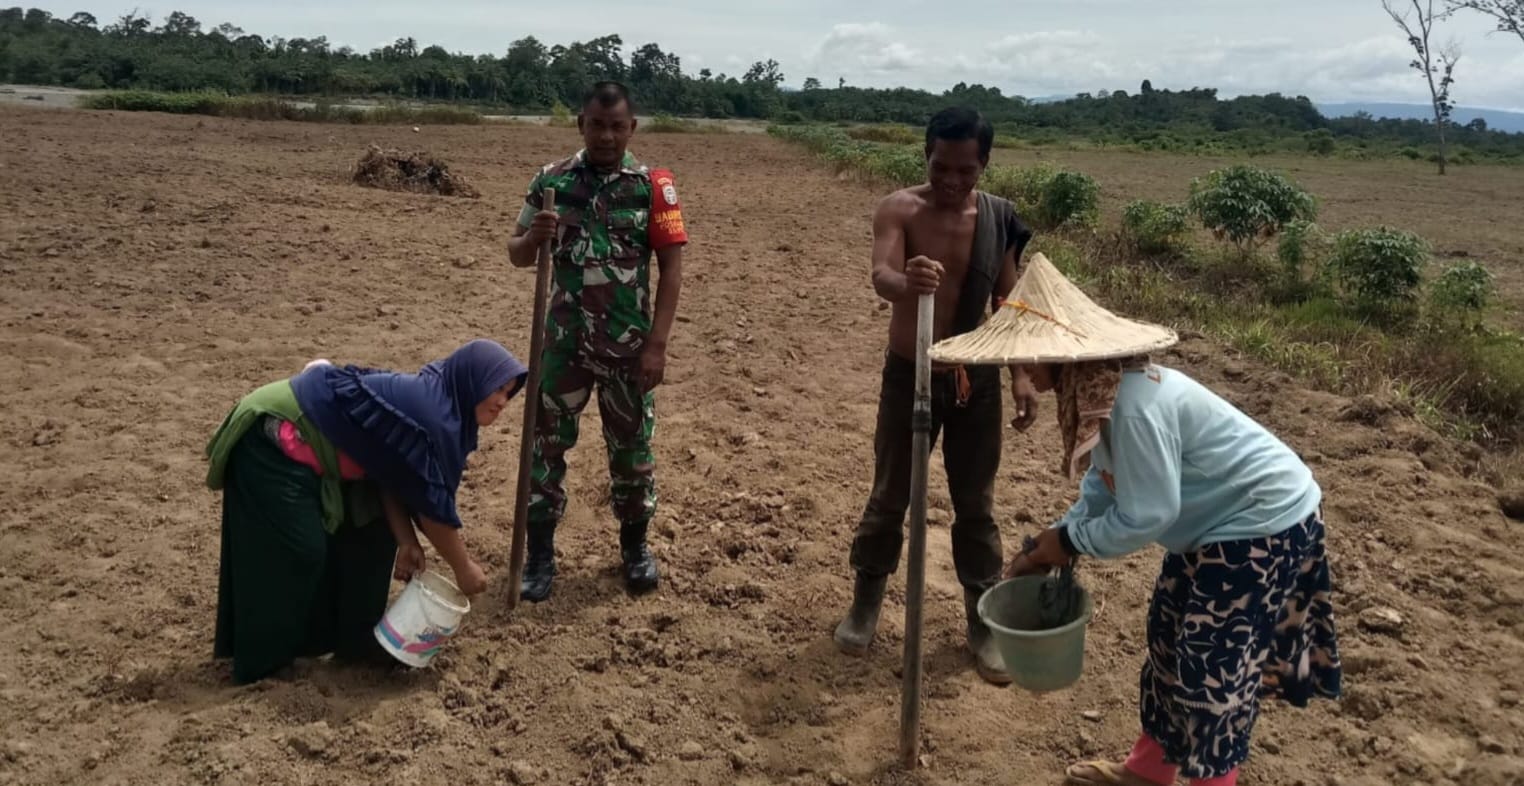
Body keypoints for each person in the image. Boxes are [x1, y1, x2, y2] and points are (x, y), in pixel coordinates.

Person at [970, 255, 1343, 786]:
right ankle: (1147, 772)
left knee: (1211, 671)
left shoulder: (1134, 403)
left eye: (1029, 356)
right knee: (1168, 640)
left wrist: (1068, 542)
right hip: (1215, 529)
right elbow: (1103, 485)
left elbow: (1149, 514)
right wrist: (1050, 541)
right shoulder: (1097, 391)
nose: (1023, 369)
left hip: (1263, 526)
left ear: (1062, 351)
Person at [832, 106, 1038, 686]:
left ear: (984, 165)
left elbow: (1009, 303)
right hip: (910, 373)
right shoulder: (900, 208)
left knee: (975, 503)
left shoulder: (997, 219)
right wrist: (907, 281)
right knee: (890, 493)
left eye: (965, 172)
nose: (951, 181)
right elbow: (881, 277)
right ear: (925, 155)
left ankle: (980, 622)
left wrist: (1021, 375)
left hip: (977, 380)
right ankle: (866, 604)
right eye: (941, 167)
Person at [205, 339, 527, 684]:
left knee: (372, 530)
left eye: (509, 394)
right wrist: (464, 569)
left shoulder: (449, 408)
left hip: (317, 453)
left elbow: (391, 473)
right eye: (496, 389)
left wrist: (406, 540)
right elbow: (433, 509)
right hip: (274, 435)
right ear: (472, 379)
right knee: (298, 550)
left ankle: (354, 642)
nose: (502, 402)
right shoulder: (435, 415)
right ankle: (262, 662)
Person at [507, 81, 688, 602]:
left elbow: (672, 269)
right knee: (545, 451)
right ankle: (540, 555)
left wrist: (657, 345)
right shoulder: (551, 181)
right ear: (580, 124)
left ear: (632, 128)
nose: (606, 136)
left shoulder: (654, 186)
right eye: (595, 124)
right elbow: (516, 252)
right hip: (562, 345)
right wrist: (534, 238)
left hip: (628, 349)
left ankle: (635, 548)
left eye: (616, 126)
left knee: (632, 453)